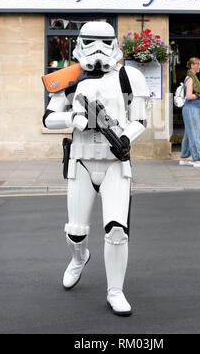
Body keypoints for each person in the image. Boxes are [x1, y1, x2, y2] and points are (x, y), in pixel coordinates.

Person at [42, 21, 149, 316]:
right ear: (79, 42)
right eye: (90, 41)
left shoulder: (129, 76)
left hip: (115, 163)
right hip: (82, 162)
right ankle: (79, 258)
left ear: (114, 44)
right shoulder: (72, 77)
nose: (98, 49)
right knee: (76, 232)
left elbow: (139, 119)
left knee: (117, 231)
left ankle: (115, 290)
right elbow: (48, 118)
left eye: (104, 41)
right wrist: (71, 119)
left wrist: (124, 137)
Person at [179, 57, 200, 168]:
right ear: (192, 65)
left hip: (191, 108)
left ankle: (184, 158)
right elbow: (189, 96)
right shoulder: (190, 79)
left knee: (189, 134)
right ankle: (197, 160)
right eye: (198, 64)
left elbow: (195, 92)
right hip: (191, 108)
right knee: (195, 134)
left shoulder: (192, 77)